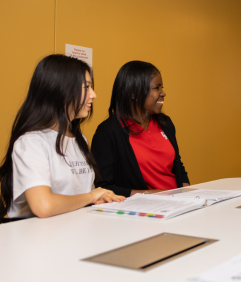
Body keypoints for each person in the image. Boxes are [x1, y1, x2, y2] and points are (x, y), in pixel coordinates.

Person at [0, 55, 125, 221]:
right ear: (60, 90)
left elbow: (82, 196)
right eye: (86, 87)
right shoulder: (31, 142)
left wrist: (100, 198)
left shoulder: (79, 139)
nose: (93, 95)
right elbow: (43, 206)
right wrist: (91, 196)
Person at [91, 61, 189, 197]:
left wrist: (186, 194)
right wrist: (152, 195)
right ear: (133, 93)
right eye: (157, 88)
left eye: (162, 87)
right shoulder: (108, 131)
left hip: (177, 203)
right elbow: (103, 187)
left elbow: (178, 166)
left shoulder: (166, 123)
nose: (163, 93)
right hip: (142, 211)